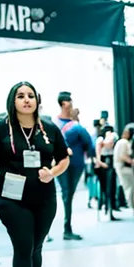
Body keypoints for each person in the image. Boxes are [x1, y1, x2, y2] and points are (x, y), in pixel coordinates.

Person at [0, 82, 70, 267]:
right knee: (23, 246)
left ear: (37, 100)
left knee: (36, 246)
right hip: (11, 198)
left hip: (44, 197)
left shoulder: (50, 129)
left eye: (30, 96)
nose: (26, 100)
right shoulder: (0, 129)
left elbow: (63, 159)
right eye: (20, 96)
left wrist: (52, 173)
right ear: (12, 101)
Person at [56, 92, 92, 240]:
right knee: (67, 194)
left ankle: (67, 227)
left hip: (71, 164)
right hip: (68, 164)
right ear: (65, 104)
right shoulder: (72, 126)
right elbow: (88, 143)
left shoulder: (56, 124)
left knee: (67, 194)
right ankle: (67, 228)